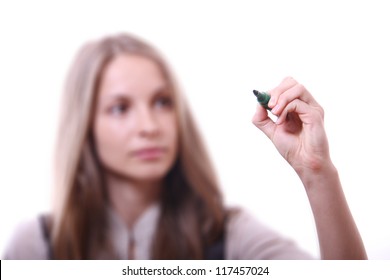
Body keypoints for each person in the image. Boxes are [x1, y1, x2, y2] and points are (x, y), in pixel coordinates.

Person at [3, 33, 367, 260]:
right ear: (83, 126)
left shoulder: (229, 236)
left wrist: (317, 172)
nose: (149, 127)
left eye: (162, 102)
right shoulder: (35, 248)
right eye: (120, 108)